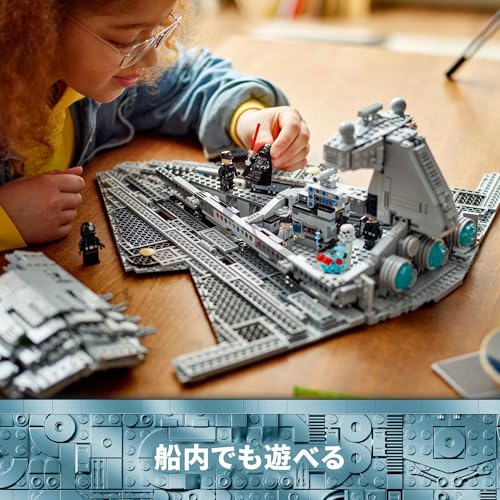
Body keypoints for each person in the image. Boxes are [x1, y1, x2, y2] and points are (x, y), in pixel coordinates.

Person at [0, 0, 310, 251]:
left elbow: (191, 79)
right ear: (36, 26)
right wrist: (6, 220)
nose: (149, 60)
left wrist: (245, 116)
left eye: (159, 29)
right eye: (126, 40)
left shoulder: (96, 77)